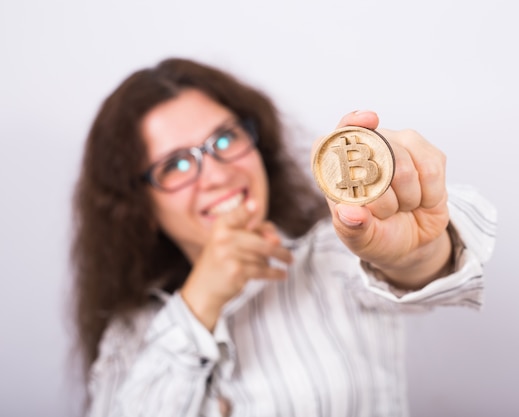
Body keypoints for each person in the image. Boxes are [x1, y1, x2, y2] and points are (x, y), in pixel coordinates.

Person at [71, 57, 496, 417]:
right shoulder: (129, 336)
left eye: (224, 138)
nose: (218, 173)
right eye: (176, 166)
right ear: (140, 209)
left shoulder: (332, 256)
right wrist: (198, 304)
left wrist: (417, 247)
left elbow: (422, 266)